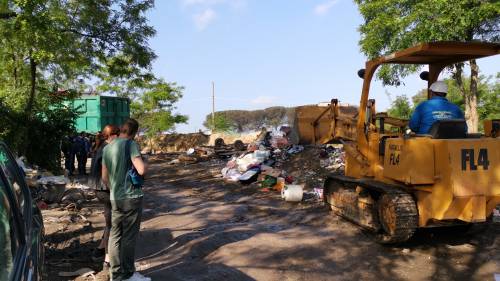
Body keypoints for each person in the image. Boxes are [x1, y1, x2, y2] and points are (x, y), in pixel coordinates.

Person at [102, 119, 148, 281]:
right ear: (134, 133)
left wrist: (115, 188)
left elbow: (104, 178)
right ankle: (128, 274)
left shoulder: (107, 148)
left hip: (115, 198)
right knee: (129, 236)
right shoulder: (131, 145)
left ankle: (115, 274)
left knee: (115, 235)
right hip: (131, 198)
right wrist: (145, 163)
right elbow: (141, 169)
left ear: (121, 129)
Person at [90, 126, 120, 272]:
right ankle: (107, 260)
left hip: (98, 189)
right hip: (104, 189)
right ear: (112, 135)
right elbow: (107, 174)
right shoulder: (107, 148)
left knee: (110, 221)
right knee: (111, 224)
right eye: (118, 135)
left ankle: (100, 249)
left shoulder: (100, 146)